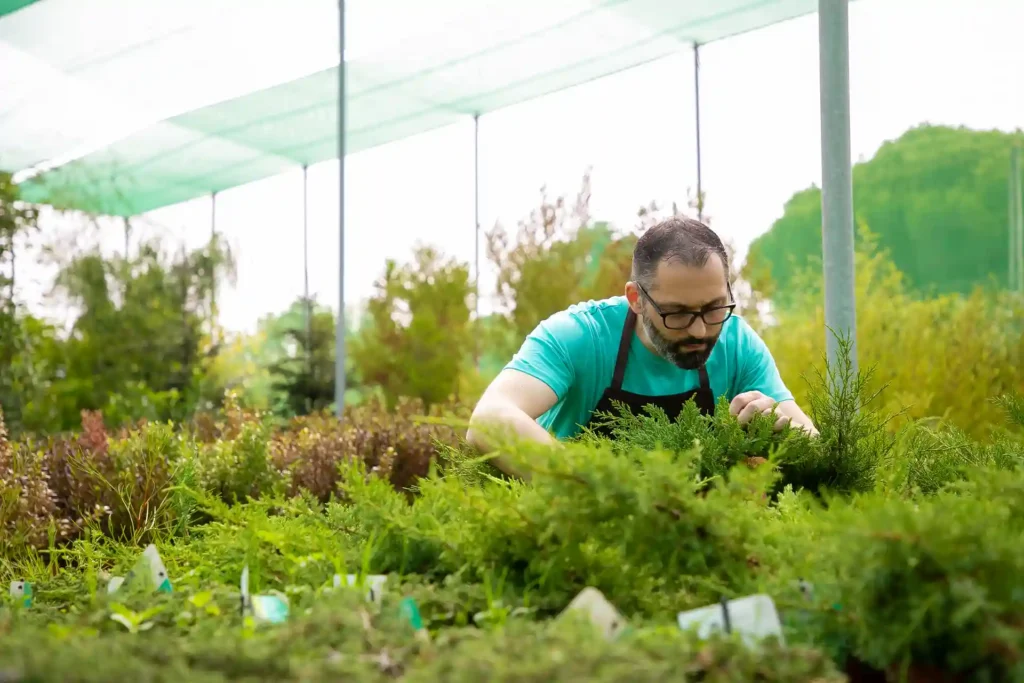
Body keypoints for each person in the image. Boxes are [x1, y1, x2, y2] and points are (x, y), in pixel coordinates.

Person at [466, 215, 817, 463]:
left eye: (713, 309)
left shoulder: (738, 344)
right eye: (677, 314)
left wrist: (780, 425)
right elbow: (490, 419)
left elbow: (815, 445)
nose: (699, 330)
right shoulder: (578, 337)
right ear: (636, 299)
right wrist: (591, 487)